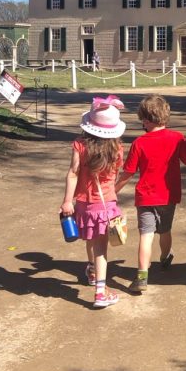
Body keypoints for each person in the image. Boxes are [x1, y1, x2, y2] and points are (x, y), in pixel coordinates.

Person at [116, 95, 186, 293]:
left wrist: (113, 190)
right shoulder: (177, 138)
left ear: (145, 119)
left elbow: (127, 173)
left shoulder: (139, 143)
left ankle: (142, 275)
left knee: (146, 235)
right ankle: (165, 256)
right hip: (168, 196)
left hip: (145, 197)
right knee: (165, 231)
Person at [60, 95, 126, 309]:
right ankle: (100, 291)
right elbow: (115, 174)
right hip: (106, 204)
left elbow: (73, 173)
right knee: (101, 248)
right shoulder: (117, 149)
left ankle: (90, 269)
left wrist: (67, 201)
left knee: (90, 238)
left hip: (82, 203)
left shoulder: (79, 145)